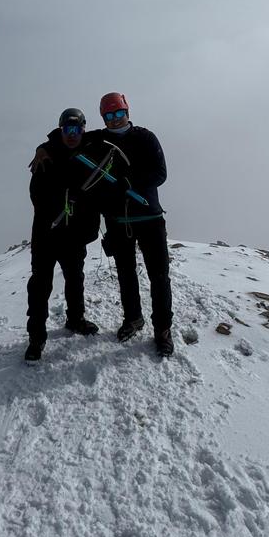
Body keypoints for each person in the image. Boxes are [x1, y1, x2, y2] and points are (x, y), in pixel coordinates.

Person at [94, 92, 174, 357]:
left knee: (159, 275)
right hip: (117, 221)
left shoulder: (145, 137)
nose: (116, 120)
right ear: (103, 117)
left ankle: (162, 329)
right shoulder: (98, 141)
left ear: (127, 112)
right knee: (125, 273)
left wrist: (130, 182)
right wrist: (43, 148)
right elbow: (66, 140)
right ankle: (133, 318)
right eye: (110, 116)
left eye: (119, 114)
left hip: (149, 218)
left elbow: (160, 173)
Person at [25, 106, 101, 362]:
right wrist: (63, 202)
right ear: (61, 129)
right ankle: (36, 338)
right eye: (67, 129)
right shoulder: (47, 156)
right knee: (40, 285)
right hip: (47, 233)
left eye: (77, 129)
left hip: (74, 235)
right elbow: (36, 194)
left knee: (75, 278)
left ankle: (76, 320)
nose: (72, 134)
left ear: (83, 129)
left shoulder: (91, 150)